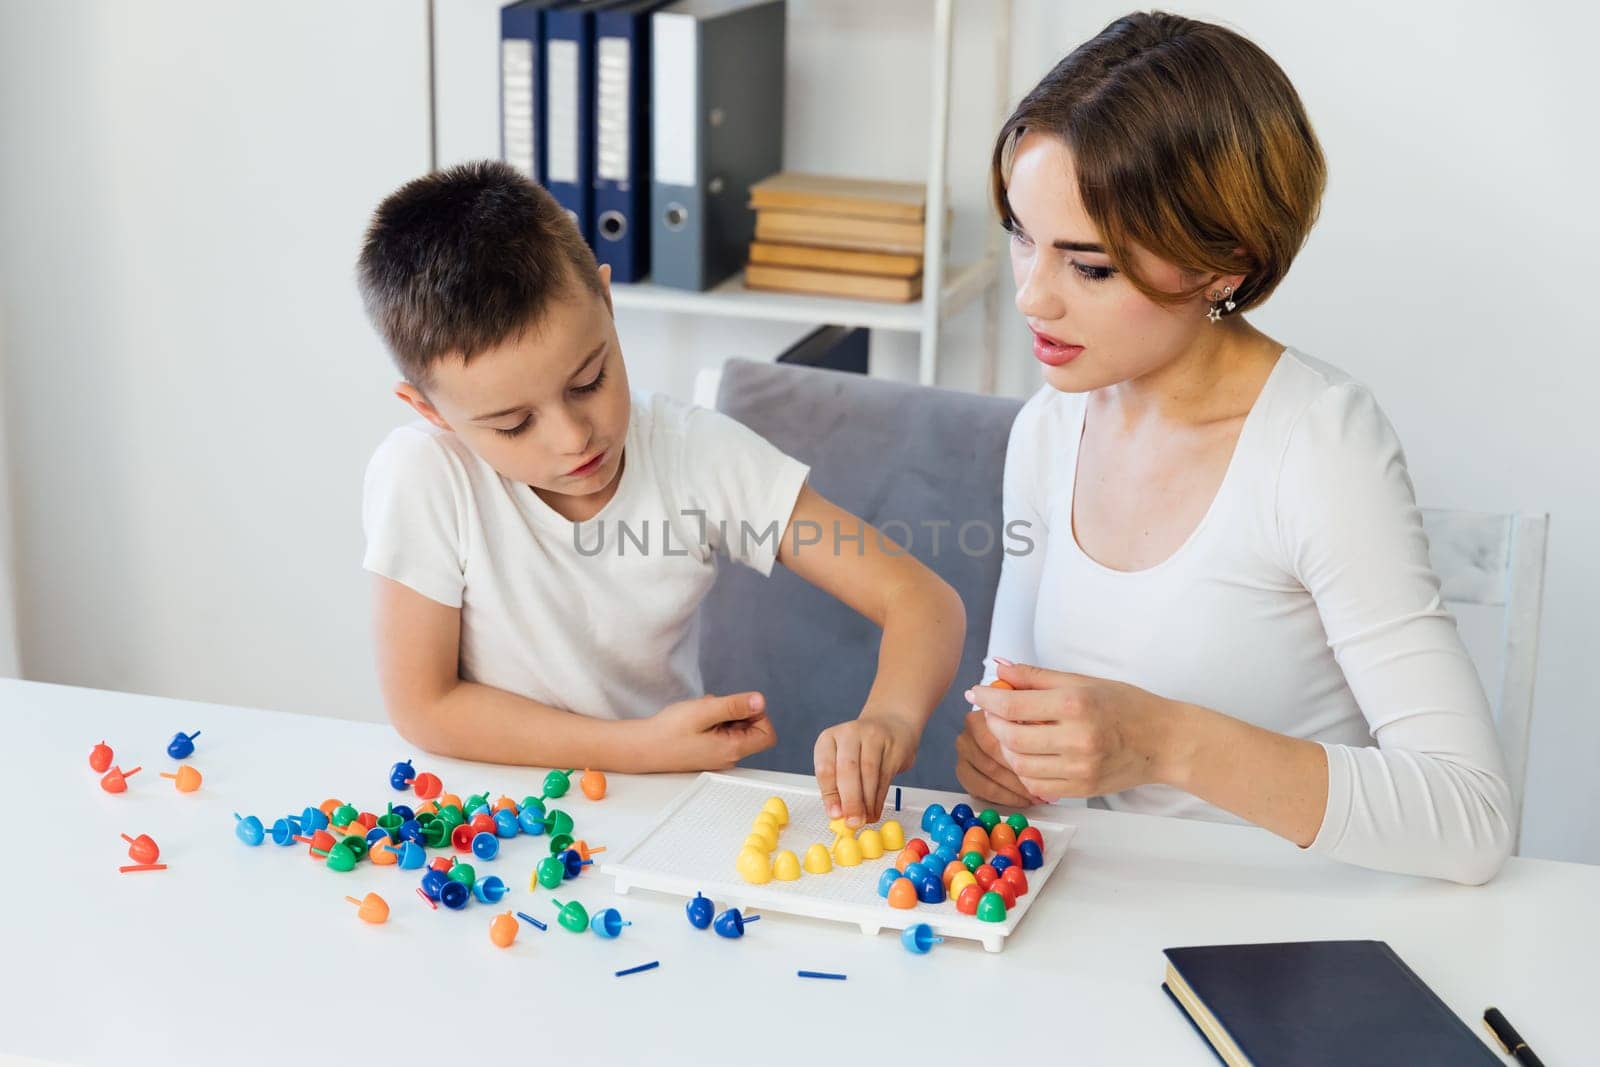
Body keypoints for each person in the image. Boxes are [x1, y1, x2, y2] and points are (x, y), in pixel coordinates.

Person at [958, 12, 1513, 884]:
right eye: (1023, 235)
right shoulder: (1048, 428)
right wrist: (1004, 760)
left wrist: (1164, 741)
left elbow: (1472, 815)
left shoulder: (1319, 443)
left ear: (1227, 265)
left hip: (1287, 944)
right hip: (1097, 921)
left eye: (1089, 266)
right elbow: (1015, 711)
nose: (1032, 297)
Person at [357, 161, 964, 827]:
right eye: (513, 423)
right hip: (486, 816)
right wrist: (635, 747)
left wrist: (890, 718)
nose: (572, 437)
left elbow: (921, 598)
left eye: (589, 379)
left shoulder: (694, 454)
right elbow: (424, 705)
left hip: (659, 815)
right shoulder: (425, 475)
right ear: (432, 410)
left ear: (608, 305)